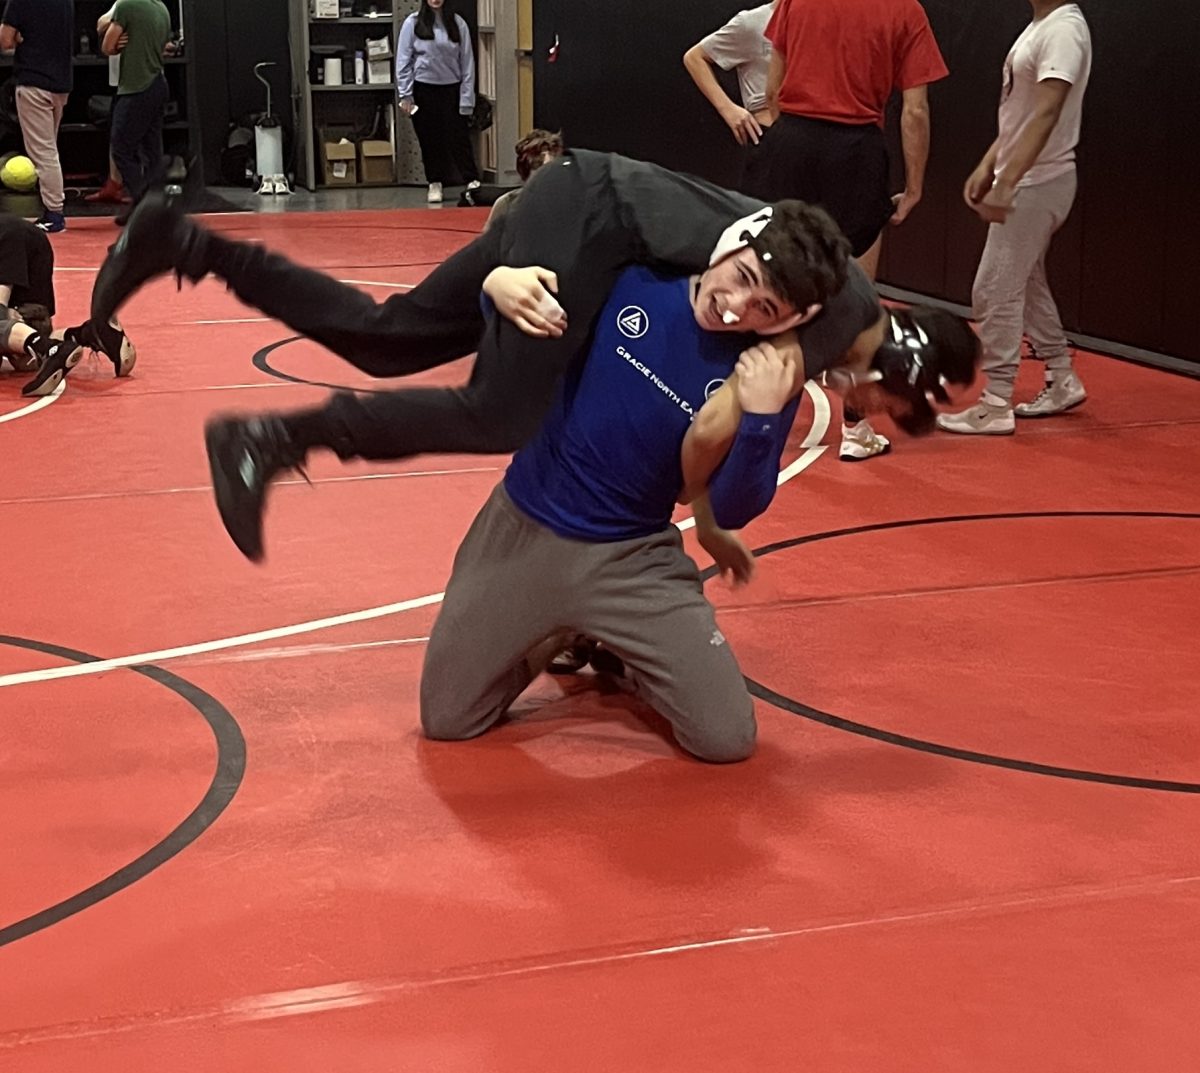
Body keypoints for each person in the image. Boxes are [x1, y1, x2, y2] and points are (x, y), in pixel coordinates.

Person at [421, 261, 980, 761]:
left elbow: (733, 503)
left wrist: (762, 417)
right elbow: (510, 312)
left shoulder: (771, 366)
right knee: (449, 720)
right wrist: (495, 281)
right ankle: (563, 632)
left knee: (725, 738)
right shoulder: (636, 279)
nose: (737, 308)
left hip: (629, 555)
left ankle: (607, 632)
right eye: (890, 404)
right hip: (523, 523)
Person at [683, 0, 892, 464]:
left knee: (845, 291)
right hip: (782, 153)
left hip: (816, 151)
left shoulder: (838, 19)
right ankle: (722, 407)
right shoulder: (757, 21)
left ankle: (855, 424)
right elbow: (697, 56)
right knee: (760, 287)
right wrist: (732, 110)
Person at [937, 0, 1091, 435]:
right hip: (1030, 176)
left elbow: (1046, 112)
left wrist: (1009, 182)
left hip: (1040, 181)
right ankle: (1061, 375)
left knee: (993, 289)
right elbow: (1020, 114)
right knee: (1025, 279)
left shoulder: (1063, 29)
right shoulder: (1041, 26)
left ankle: (996, 402)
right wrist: (991, 164)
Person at [762, 0, 948, 279]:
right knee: (854, 279)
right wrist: (913, 187)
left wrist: (788, 143)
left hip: (791, 138)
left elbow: (772, 91)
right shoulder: (905, 9)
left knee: (776, 267)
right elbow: (915, 111)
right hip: (856, 151)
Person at [0, 213, 136, 395]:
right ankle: (90, 334)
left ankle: (49, 349)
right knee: (24, 362)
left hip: (9, 239)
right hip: (27, 240)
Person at [683, 2, 777, 197]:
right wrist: (728, 109)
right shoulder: (753, 22)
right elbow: (695, 57)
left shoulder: (817, 21)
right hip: (766, 134)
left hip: (806, 135)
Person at [395, 0, 479, 204]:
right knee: (430, 140)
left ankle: (472, 180)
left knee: (458, 137)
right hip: (424, 89)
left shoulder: (458, 24)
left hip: (452, 88)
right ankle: (435, 182)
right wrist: (405, 94)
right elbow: (403, 60)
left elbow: (467, 62)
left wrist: (467, 97)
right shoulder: (412, 23)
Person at [0, 0, 72, 233]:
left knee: (43, 152)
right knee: (49, 149)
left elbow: (5, 40)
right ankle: (53, 210)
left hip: (33, 82)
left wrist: (20, 36)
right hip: (60, 83)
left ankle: (54, 214)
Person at [99, 0, 172, 224]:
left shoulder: (126, 5)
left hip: (135, 86)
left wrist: (117, 40)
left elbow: (108, 47)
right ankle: (155, 206)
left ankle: (143, 204)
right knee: (152, 150)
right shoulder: (161, 7)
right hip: (158, 82)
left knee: (121, 148)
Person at [478, 128, 565, 232]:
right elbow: (488, 245)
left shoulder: (573, 203)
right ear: (525, 171)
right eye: (537, 166)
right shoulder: (507, 204)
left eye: (553, 168)